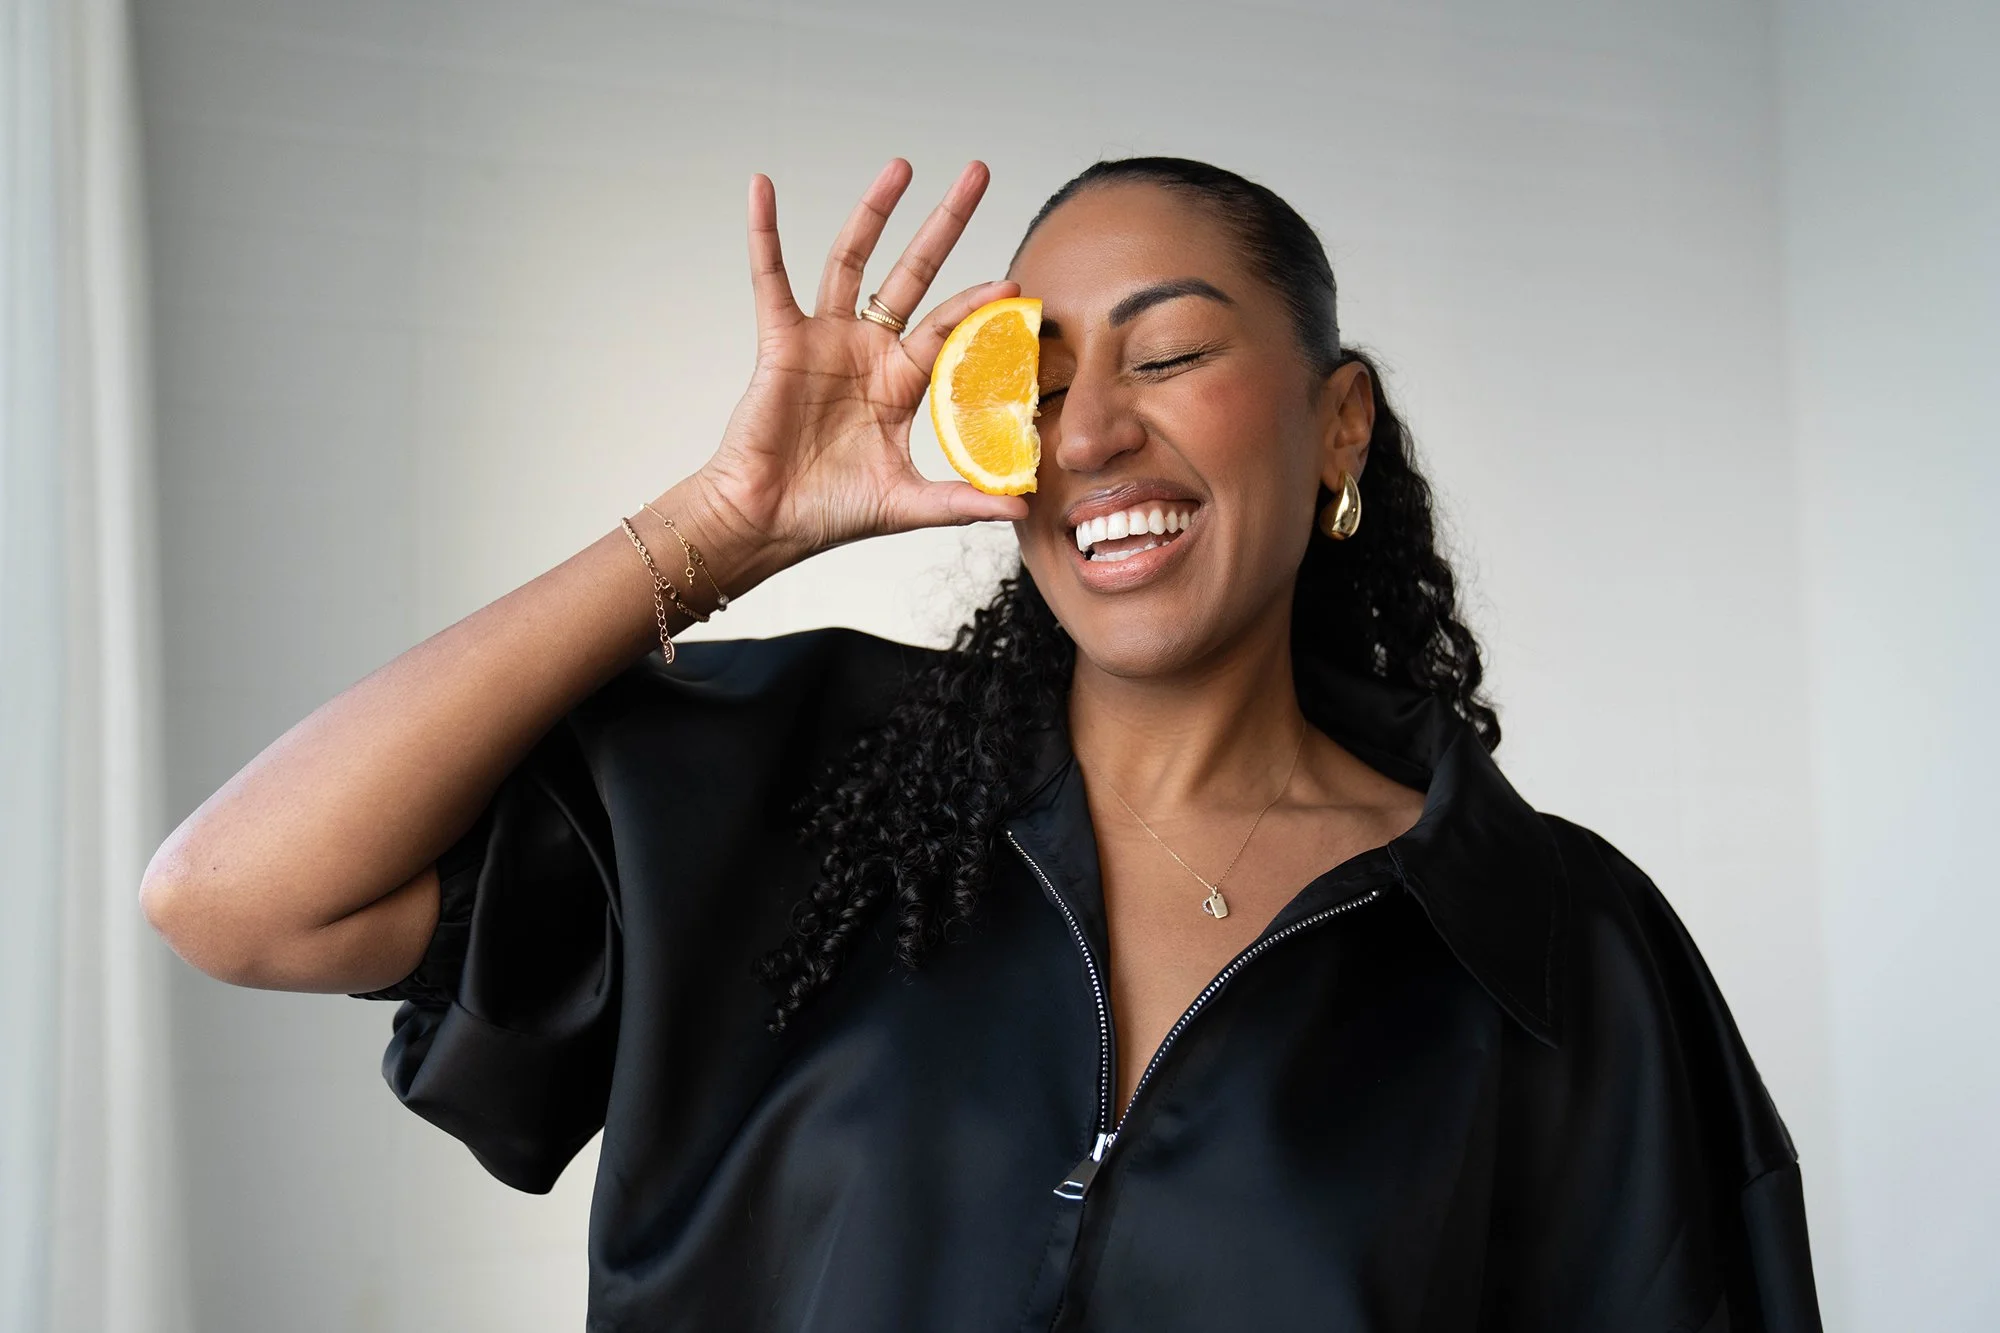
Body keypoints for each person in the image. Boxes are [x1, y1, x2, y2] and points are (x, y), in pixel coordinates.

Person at [141, 155, 1824, 1331]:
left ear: (1339, 424)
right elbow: (235, 897)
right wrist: (724, 528)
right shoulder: (790, 791)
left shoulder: (1553, 948)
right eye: (1039, 370)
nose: (1093, 430)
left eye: (1169, 352)